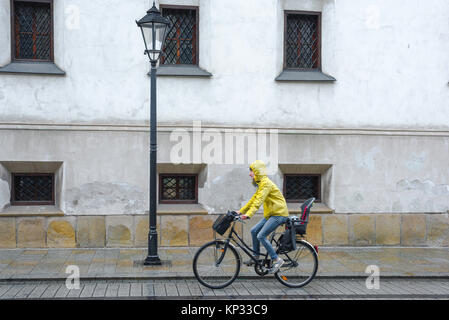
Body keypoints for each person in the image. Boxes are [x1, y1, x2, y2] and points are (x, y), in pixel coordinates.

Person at [237, 160, 289, 274]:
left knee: (261, 235)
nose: (250, 174)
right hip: (271, 214)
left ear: (258, 172)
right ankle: (255, 257)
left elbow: (258, 201)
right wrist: (240, 211)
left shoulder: (266, 184)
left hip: (279, 214)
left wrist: (248, 214)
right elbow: (253, 199)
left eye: (252, 171)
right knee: (254, 230)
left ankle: (277, 259)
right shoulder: (261, 184)